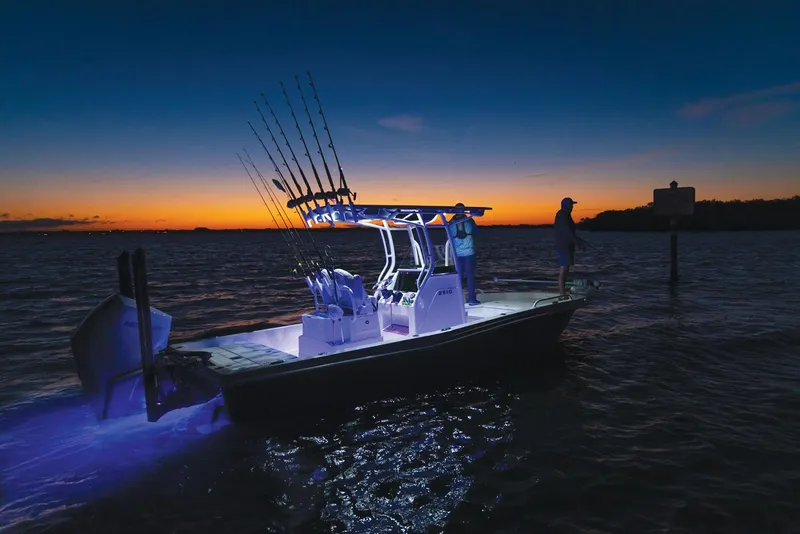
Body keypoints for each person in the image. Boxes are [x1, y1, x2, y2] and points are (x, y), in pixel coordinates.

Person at [554, 197, 587, 295]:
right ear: (567, 206)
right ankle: (561, 292)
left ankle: (562, 290)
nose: (572, 206)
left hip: (566, 244)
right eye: (571, 204)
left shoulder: (565, 215)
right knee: (564, 268)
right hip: (564, 245)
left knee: (566, 268)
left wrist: (579, 240)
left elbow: (570, 232)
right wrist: (578, 243)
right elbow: (567, 232)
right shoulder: (563, 215)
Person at [449, 202, 480, 305]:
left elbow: (447, 236)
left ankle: (457, 300)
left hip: (457, 254)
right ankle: (472, 299)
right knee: (470, 276)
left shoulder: (450, 223)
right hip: (468, 253)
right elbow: (476, 232)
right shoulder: (470, 221)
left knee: (458, 277)